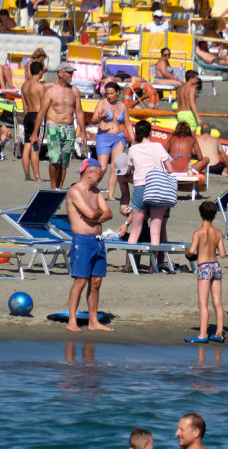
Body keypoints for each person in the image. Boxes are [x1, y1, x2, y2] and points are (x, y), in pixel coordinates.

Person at [65, 157, 113, 332]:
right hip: (82, 241)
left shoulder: (96, 192)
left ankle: (93, 321)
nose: (101, 177)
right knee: (81, 281)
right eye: (100, 174)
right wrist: (96, 214)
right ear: (90, 173)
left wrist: (95, 214)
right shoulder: (75, 191)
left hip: (98, 241)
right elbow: (89, 213)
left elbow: (108, 214)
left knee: (96, 281)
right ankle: (72, 321)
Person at [124, 120, 173, 269]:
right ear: (150, 132)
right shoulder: (157, 147)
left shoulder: (133, 149)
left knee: (135, 229)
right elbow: (169, 169)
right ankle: (153, 267)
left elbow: (128, 170)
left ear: (136, 133)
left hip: (140, 188)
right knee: (155, 229)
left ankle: (129, 266)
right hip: (156, 187)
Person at [32, 64, 86, 190]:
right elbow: (41, 113)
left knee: (64, 162)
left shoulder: (74, 91)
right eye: (68, 73)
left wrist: (83, 131)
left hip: (69, 128)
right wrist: (35, 133)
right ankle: (53, 187)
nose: (71, 76)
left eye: (72, 73)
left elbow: (79, 112)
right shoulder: (51, 91)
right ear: (60, 74)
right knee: (55, 159)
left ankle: (59, 189)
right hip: (53, 126)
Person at [184, 200, 226, 344]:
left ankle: (202, 334)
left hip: (204, 267)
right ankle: (219, 333)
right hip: (216, 266)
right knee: (217, 302)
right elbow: (223, 254)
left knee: (203, 303)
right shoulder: (218, 232)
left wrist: (189, 255)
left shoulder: (198, 233)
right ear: (215, 216)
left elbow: (191, 250)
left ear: (200, 214)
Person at [89, 81, 131, 189]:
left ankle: (111, 195)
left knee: (114, 167)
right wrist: (99, 118)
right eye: (107, 94)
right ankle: (91, 187)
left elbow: (128, 124)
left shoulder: (122, 106)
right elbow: (93, 121)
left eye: (111, 93)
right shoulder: (102, 103)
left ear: (117, 92)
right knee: (102, 167)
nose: (109, 96)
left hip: (119, 137)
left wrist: (134, 139)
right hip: (104, 136)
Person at [21, 60, 46, 182]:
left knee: (26, 145)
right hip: (37, 116)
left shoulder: (24, 86)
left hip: (28, 115)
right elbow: (43, 105)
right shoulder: (40, 86)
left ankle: (27, 175)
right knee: (35, 145)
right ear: (40, 72)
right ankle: (37, 176)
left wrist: (27, 118)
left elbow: (24, 106)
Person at [175, 70, 203, 134]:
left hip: (180, 114)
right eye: (196, 78)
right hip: (189, 115)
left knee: (182, 136)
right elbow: (192, 104)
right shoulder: (192, 88)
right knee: (191, 138)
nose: (197, 80)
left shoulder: (180, 88)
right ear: (191, 79)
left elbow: (178, 102)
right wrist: (198, 117)